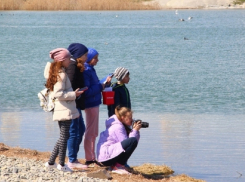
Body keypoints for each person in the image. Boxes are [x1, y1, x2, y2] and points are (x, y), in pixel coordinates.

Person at [43, 48, 83, 172]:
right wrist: (73, 95)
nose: (70, 60)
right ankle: (61, 165)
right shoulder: (61, 74)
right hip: (64, 109)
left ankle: (51, 163)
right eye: (68, 58)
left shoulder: (57, 71)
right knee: (64, 136)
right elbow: (58, 93)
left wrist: (73, 93)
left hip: (63, 108)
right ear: (62, 60)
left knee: (63, 136)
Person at [83, 48, 112, 166]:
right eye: (95, 58)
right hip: (90, 104)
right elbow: (88, 91)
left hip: (94, 103)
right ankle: (89, 158)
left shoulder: (90, 69)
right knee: (91, 131)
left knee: (93, 131)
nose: (97, 60)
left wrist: (105, 82)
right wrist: (102, 86)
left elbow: (94, 85)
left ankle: (91, 157)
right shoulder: (86, 70)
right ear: (89, 58)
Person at [97, 106, 141, 174]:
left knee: (132, 141)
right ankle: (118, 166)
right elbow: (128, 143)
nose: (132, 120)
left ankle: (116, 165)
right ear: (123, 117)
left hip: (105, 156)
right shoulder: (118, 127)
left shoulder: (119, 125)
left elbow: (131, 142)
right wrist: (134, 130)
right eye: (129, 118)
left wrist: (135, 131)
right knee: (132, 141)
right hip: (106, 157)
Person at [65, 43, 88, 169]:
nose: (86, 57)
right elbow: (70, 84)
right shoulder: (72, 65)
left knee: (80, 130)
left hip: (75, 102)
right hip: (72, 103)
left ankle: (73, 157)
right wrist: (77, 92)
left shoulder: (76, 64)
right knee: (74, 131)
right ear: (79, 55)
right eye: (85, 55)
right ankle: (72, 159)